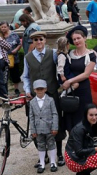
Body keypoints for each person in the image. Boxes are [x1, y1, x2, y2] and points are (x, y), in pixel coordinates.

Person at [21, 31, 65, 166]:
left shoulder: (52, 53)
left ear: (45, 40)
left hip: (52, 93)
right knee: (36, 123)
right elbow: (26, 76)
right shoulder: (28, 57)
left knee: (55, 122)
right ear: (32, 42)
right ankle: (43, 154)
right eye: (35, 40)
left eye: (41, 39)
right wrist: (27, 91)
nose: (38, 42)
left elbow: (61, 68)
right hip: (36, 96)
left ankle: (58, 154)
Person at [62, 26, 96, 131]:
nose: (76, 41)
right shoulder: (70, 54)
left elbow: (86, 74)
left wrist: (70, 81)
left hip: (83, 91)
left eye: (78, 38)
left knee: (83, 118)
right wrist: (68, 83)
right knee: (70, 119)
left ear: (84, 38)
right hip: (71, 90)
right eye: (74, 39)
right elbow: (65, 69)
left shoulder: (91, 55)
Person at [30, 79, 59, 173]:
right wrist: (33, 130)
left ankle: (53, 162)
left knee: (51, 144)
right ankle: (42, 163)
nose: (39, 91)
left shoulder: (50, 100)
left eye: (41, 89)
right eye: (37, 89)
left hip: (49, 127)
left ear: (45, 89)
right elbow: (31, 117)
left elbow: (55, 113)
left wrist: (55, 127)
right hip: (38, 128)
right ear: (34, 90)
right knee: (40, 145)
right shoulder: (32, 102)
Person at [1, 22, 22, 95]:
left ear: (8, 27)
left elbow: (19, 44)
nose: (3, 28)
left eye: (5, 27)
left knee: (15, 74)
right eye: (2, 27)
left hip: (13, 58)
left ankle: (16, 89)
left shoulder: (14, 35)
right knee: (4, 75)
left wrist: (16, 50)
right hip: (3, 59)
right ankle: (4, 90)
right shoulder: (0, 36)